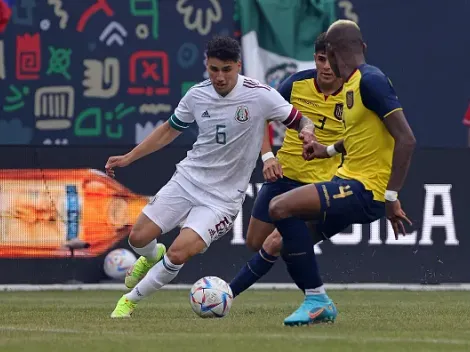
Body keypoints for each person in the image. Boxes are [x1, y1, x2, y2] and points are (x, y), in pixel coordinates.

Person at [105, 36, 316, 318]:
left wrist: (307, 131)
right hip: (188, 180)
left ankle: (128, 301)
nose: (219, 77)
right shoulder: (196, 95)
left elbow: (300, 119)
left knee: (179, 253)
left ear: (238, 66)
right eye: (214, 69)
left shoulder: (260, 94)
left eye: (226, 69)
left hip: (222, 200)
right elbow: (168, 131)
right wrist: (129, 157)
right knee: (138, 238)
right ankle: (151, 255)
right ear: (207, 65)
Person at [267, 19, 417, 326]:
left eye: (326, 57)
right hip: (347, 179)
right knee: (288, 243)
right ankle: (316, 300)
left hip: (365, 190)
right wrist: (326, 151)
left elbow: (406, 139)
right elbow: (360, 137)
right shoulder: (352, 85)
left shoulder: (371, 80)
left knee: (279, 207)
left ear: (332, 54)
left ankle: (317, 299)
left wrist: (391, 197)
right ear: (362, 47)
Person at [229, 33, 344, 306]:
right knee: (256, 241)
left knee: (276, 242)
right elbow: (260, 118)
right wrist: (268, 157)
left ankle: (226, 296)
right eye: (321, 59)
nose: (327, 66)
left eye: (333, 60)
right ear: (315, 59)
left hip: (319, 187)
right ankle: (299, 258)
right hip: (283, 174)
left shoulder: (355, 93)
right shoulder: (297, 84)